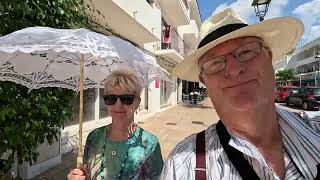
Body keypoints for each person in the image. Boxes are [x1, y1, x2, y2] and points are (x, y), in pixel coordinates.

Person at [161, 8, 320, 180]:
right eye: (215, 63)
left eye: (245, 52)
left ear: (269, 56)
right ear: (203, 80)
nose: (234, 69)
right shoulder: (182, 167)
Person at [68, 69, 163, 180]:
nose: (118, 105)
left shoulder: (149, 144)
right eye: (111, 98)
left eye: (126, 99)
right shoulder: (94, 137)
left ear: (137, 103)